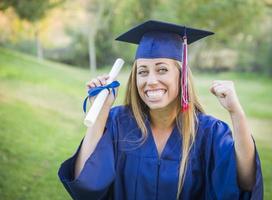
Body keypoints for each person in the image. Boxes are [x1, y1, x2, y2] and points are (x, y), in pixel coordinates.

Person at [58, 20, 263, 200]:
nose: (151, 81)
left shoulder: (209, 132)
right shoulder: (118, 122)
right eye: (143, 72)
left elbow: (244, 182)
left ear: (181, 76)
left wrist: (236, 113)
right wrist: (100, 114)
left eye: (162, 69)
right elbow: (84, 185)